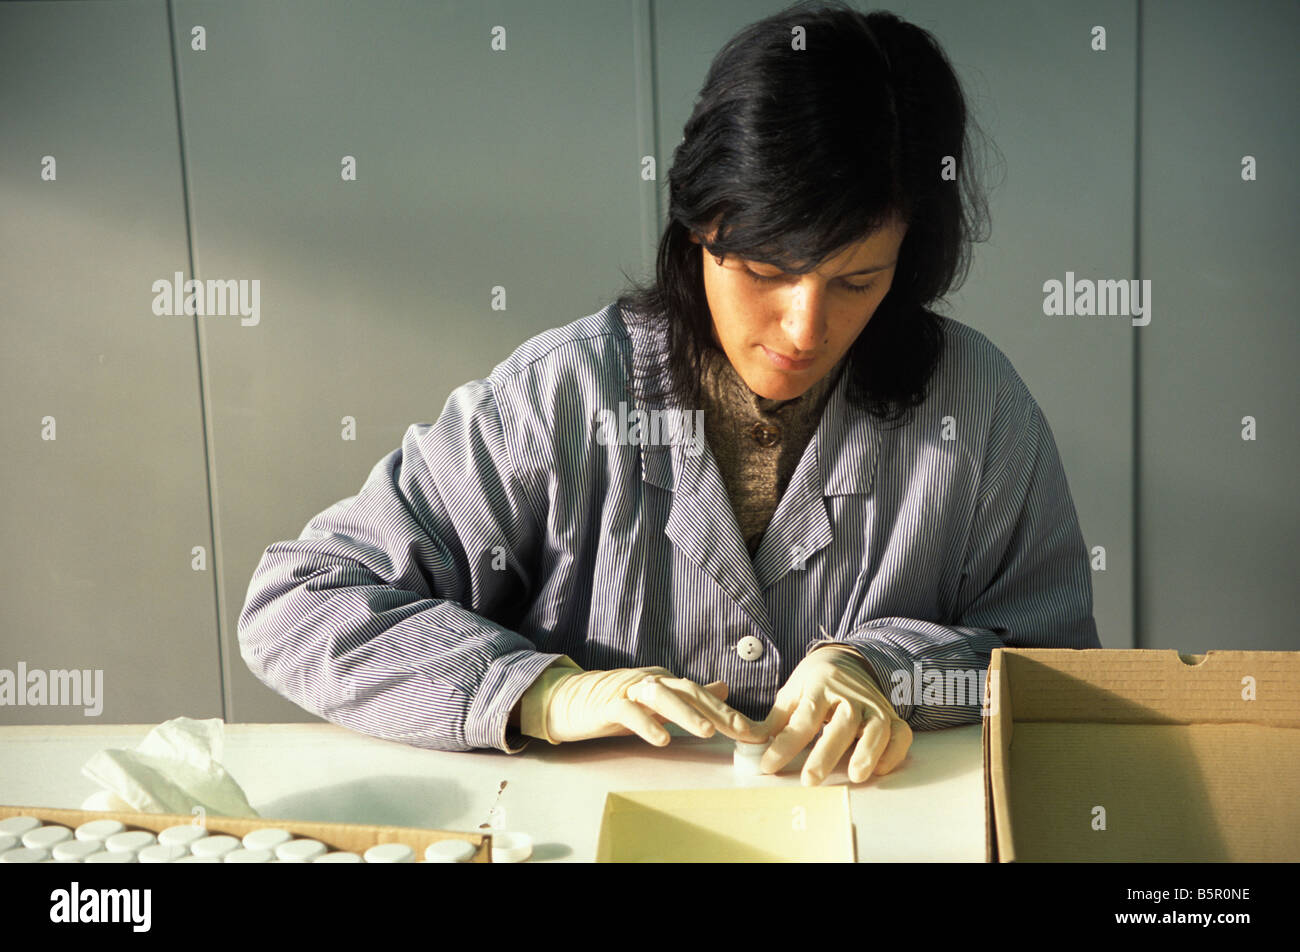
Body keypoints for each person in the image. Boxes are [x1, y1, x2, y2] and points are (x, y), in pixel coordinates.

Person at [238, 1, 1100, 788]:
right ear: (698, 225)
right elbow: (302, 601)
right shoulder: (564, 396)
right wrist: (537, 693)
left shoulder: (978, 409)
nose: (804, 328)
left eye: (857, 281)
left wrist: (890, 669)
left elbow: (1059, 669)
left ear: (908, 263)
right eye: (765, 270)